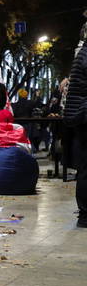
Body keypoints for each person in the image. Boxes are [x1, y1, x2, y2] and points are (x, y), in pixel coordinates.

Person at [63, 18, 87, 227]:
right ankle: (85, 215)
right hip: (85, 117)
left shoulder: (82, 55)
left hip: (81, 117)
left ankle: (85, 214)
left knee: (85, 167)